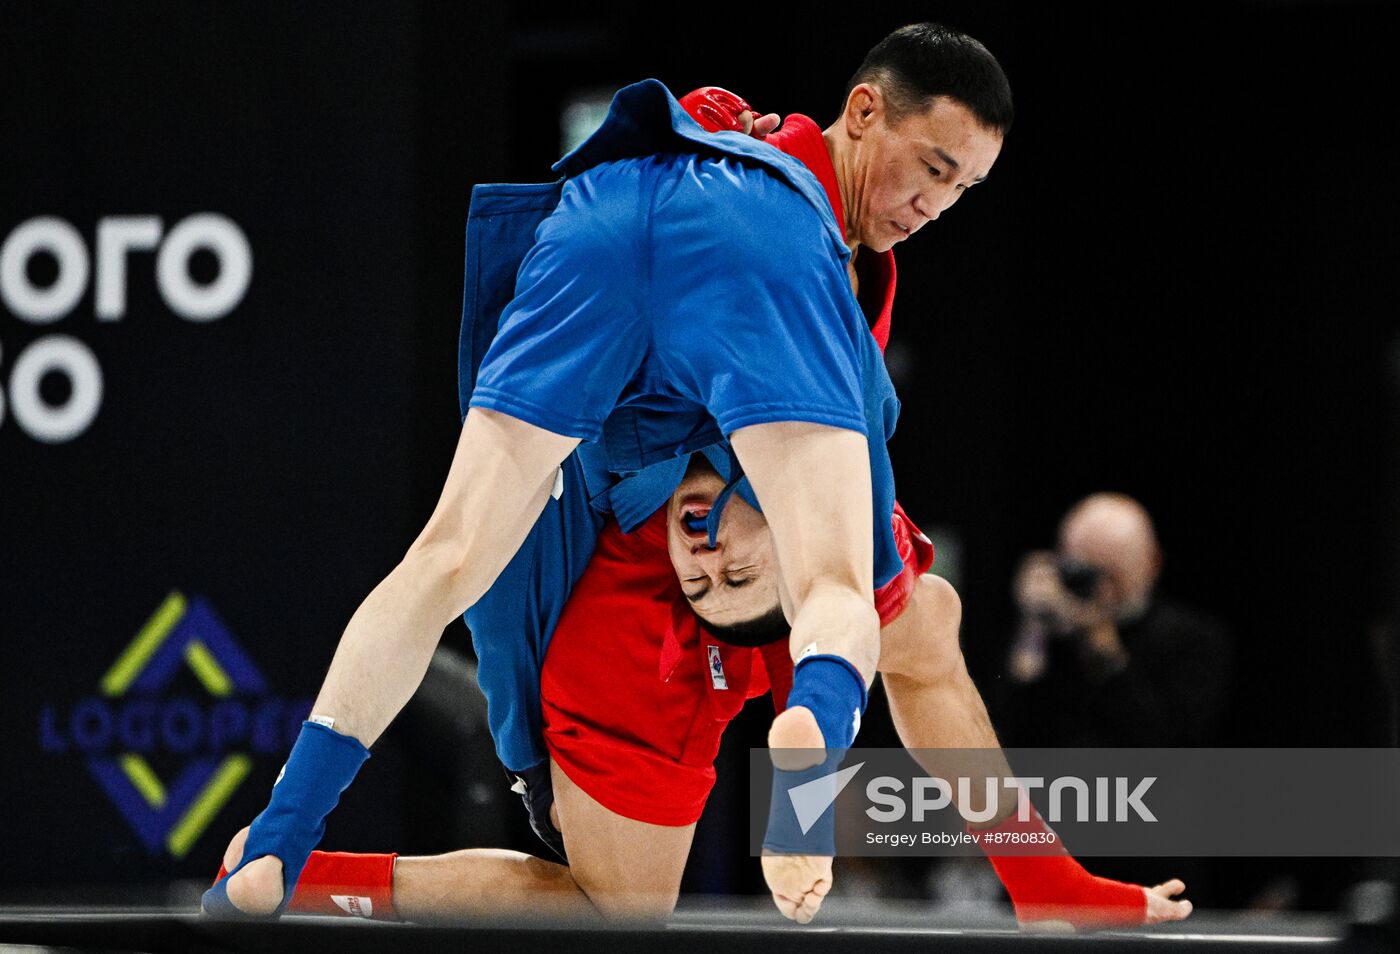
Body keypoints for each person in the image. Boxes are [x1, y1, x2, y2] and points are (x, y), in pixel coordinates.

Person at [212, 27, 1190, 928]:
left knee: (449, 563)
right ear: (860, 114)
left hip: (601, 215)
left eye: (963, 188)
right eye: (930, 167)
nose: (935, 203)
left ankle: (284, 849)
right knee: (874, 601)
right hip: (656, 586)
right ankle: (887, 807)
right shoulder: (800, 243)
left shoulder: (750, 182)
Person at [1004, 492, 1234, 748]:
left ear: (1152, 564)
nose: (1098, 587)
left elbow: (1173, 743)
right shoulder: (1056, 634)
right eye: (1083, 571)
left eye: (1112, 574)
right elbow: (1006, 728)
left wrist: (1105, 649)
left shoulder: (1193, 637)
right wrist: (1033, 628)